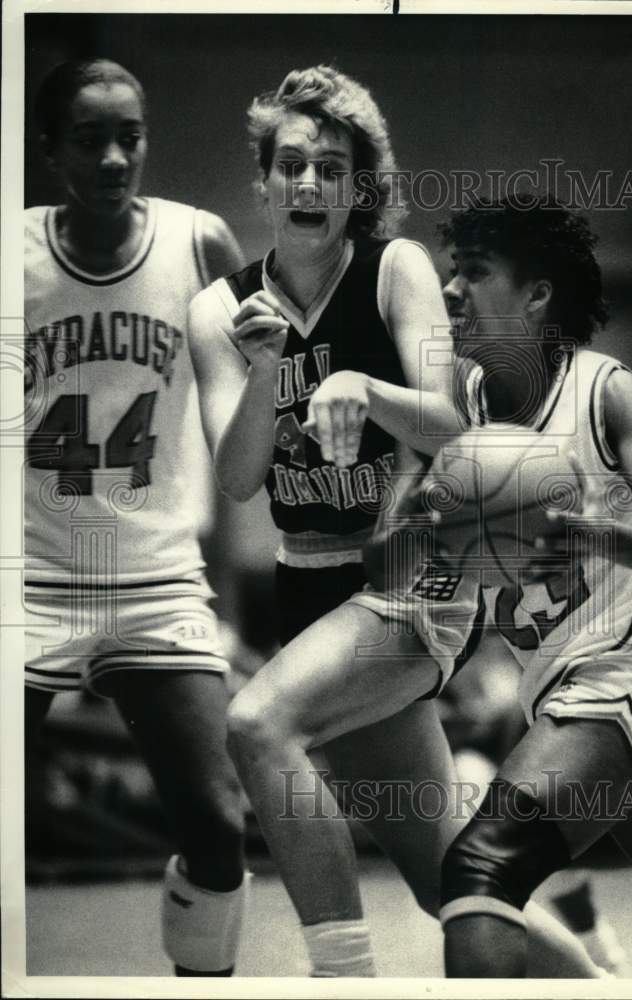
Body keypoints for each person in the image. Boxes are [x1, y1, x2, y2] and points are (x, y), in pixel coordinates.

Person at [191, 66, 604, 978]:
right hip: (308, 583)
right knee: (448, 879)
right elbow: (237, 478)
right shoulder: (219, 310)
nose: (309, 184)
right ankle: (604, 987)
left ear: (359, 188)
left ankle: (345, 983)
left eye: (332, 168)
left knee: (256, 723)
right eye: (291, 164)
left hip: (410, 572)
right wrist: (268, 373)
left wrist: (359, 386)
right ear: (262, 180)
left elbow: (457, 424)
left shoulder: (396, 269)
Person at [437, 195, 632, 976]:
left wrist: (583, 531)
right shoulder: (459, 406)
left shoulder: (604, 389)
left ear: (537, 294)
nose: (451, 289)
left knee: (481, 869)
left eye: (474, 273)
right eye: (451, 272)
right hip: (568, 688)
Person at [24, 59, 248, 976]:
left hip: (156, 576)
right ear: (49, 151)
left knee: (219, 823)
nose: (117, 157)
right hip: (29, 575)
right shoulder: (14, 252)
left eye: (133, 135)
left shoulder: (200, 245)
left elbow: (247, 413)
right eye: (90, 139)